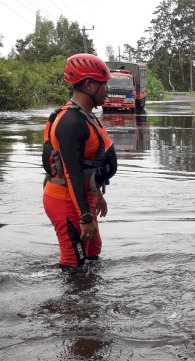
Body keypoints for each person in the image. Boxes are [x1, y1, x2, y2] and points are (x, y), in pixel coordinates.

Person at [43, 53, 117, 269]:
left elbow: (89, 166)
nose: (107, 90)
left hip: (83, 197)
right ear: (89, 84)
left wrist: (97, 197)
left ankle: (89, 300)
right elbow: (72, 173)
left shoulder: (87, 115)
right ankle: (70, 302)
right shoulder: (71, 122)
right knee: (74, 263)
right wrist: (85, 217)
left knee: (93, 252)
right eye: (104, 84)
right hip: (65, 201)